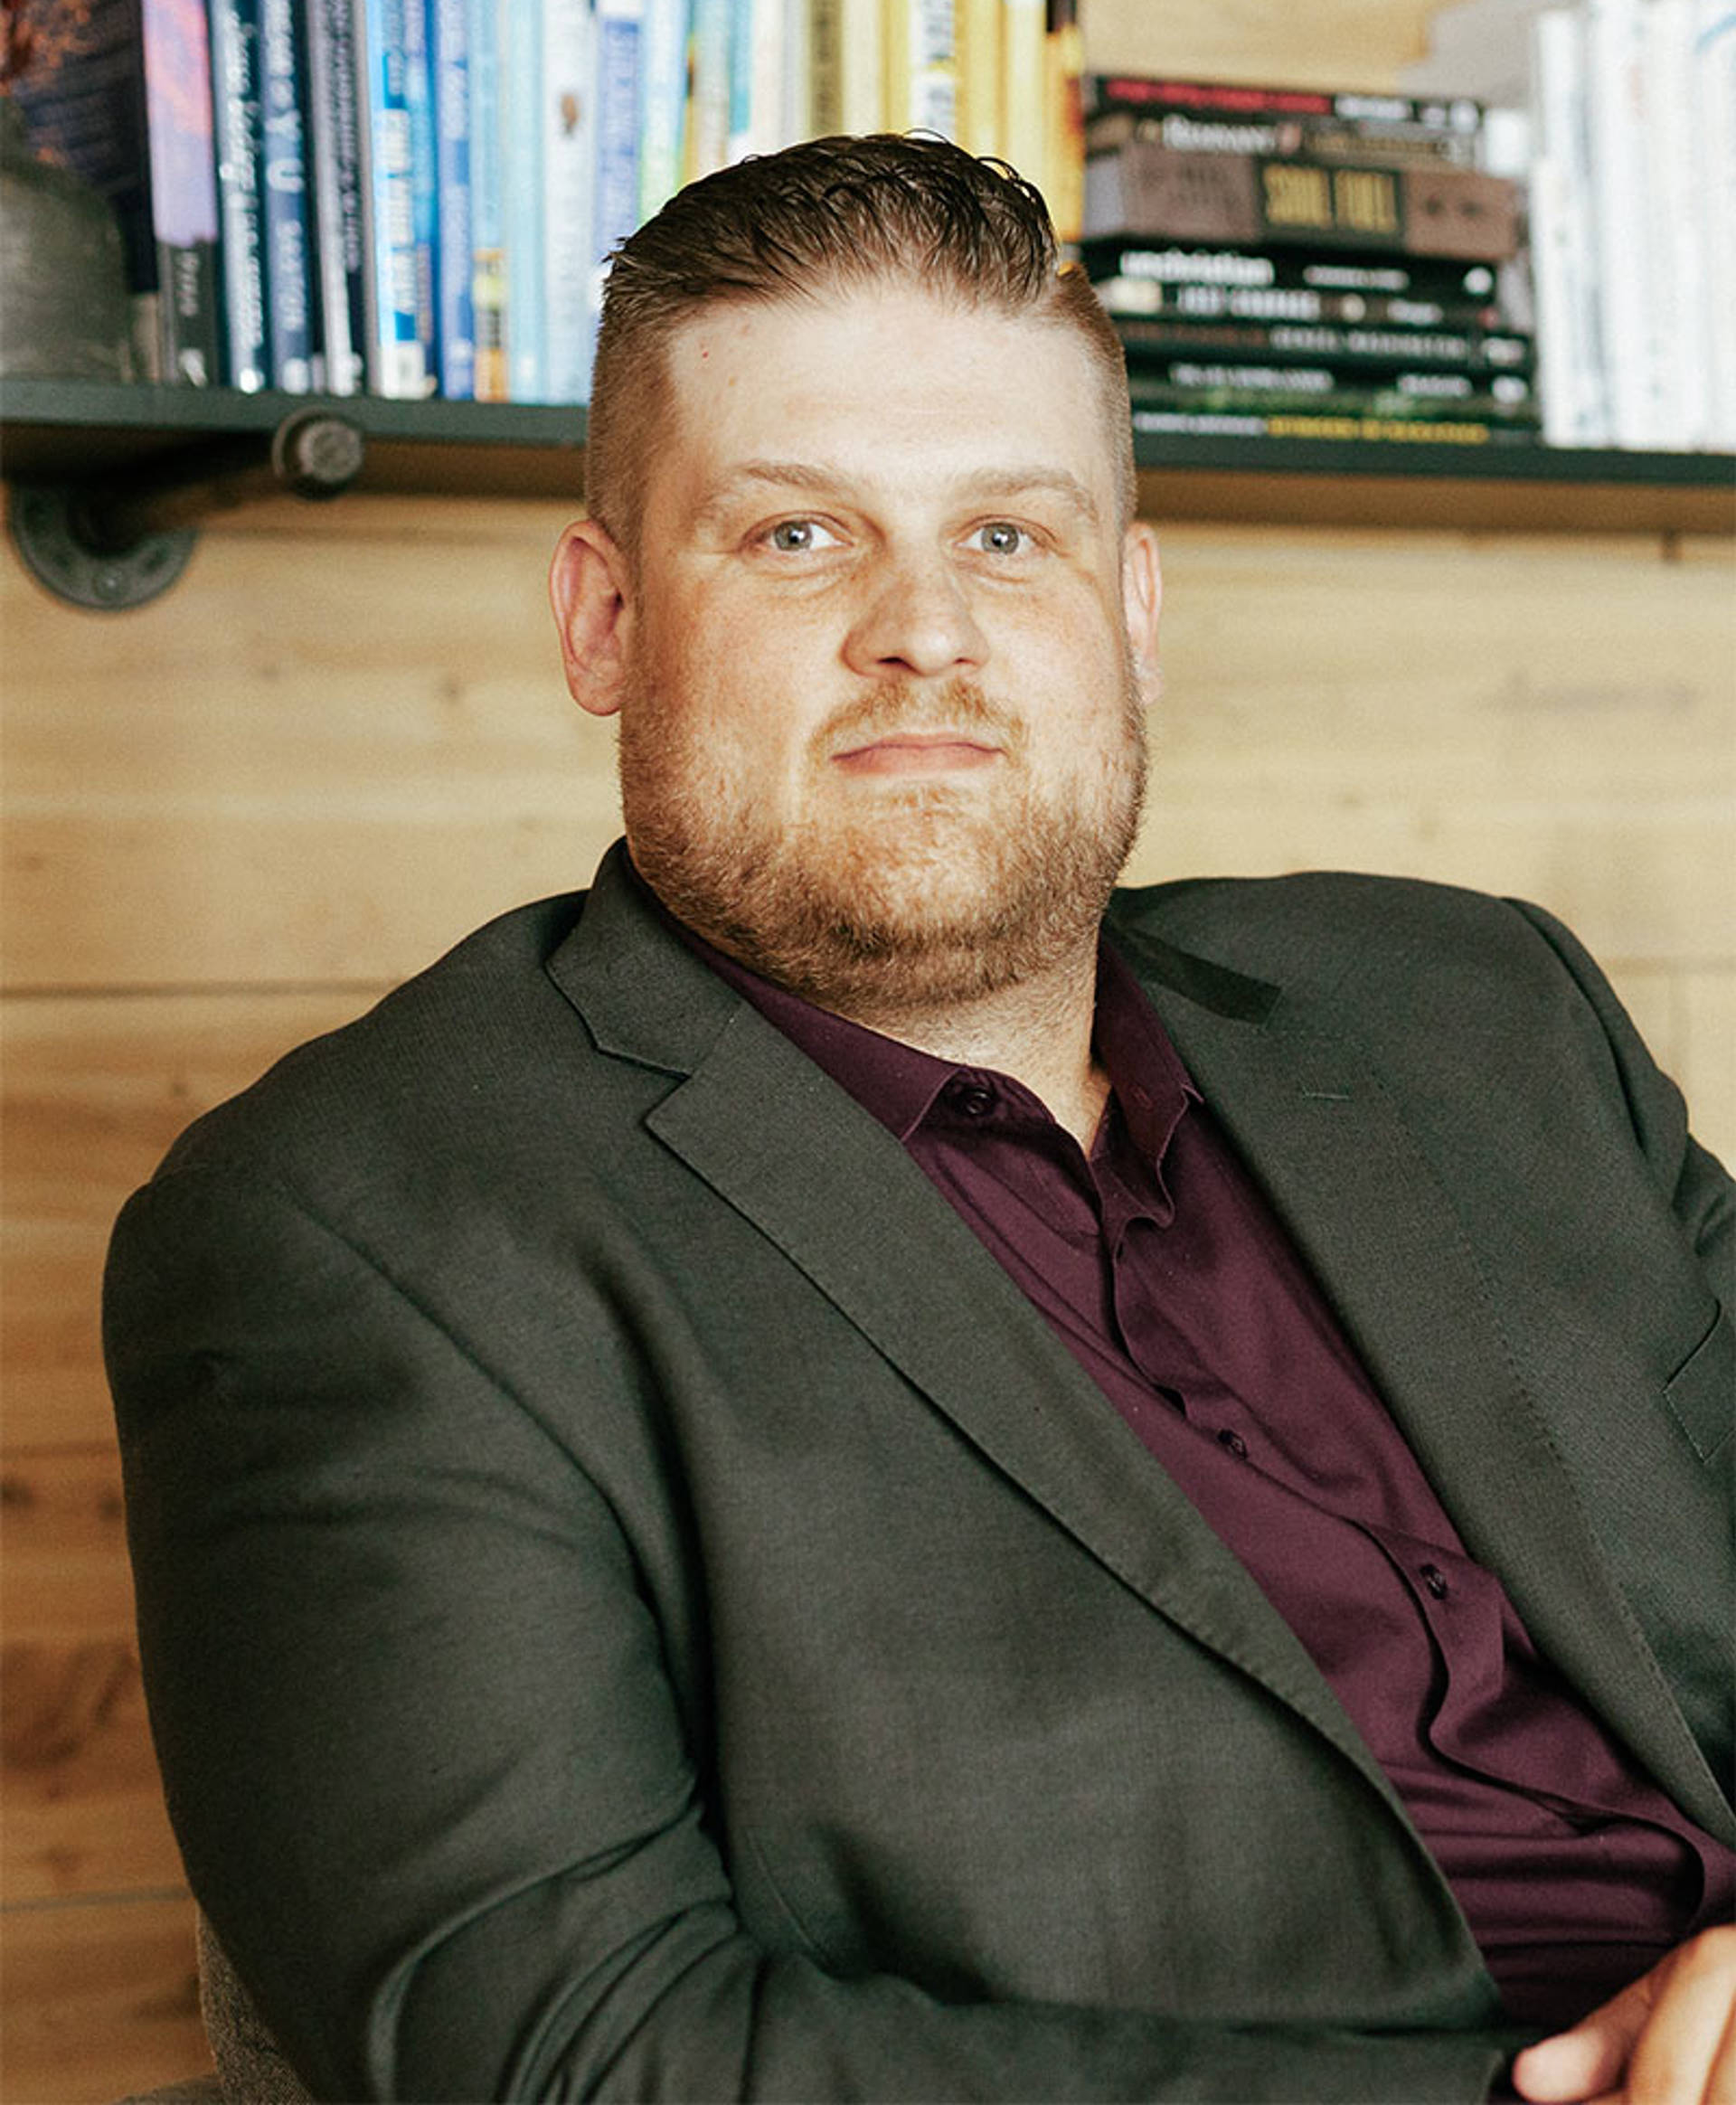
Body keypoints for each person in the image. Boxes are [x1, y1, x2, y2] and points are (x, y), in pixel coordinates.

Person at [104, 136, 1732, 2105]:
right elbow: (578, 2055)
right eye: (798, 534)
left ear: (1133, 608)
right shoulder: (356, 1237)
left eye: (1010, 536)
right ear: (604, 620)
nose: (926, 629)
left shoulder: (1484, 1010)